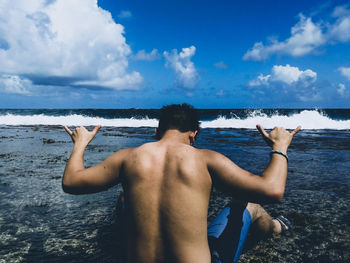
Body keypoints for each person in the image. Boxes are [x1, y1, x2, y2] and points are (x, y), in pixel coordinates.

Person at [63, 103, 301, 263]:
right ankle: (278, 227)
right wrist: (279, 146)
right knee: (249, 205)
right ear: (193, 135)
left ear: (157, 131)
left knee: (126, 197)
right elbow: (272, 190)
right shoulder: (205, 158)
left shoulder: (127, 158)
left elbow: (72, 182)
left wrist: (80, 143)